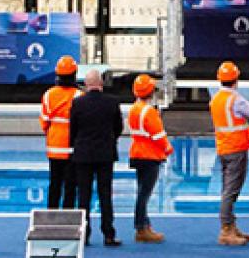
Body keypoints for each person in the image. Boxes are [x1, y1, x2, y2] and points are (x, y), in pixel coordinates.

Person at [210, 61, 249, 246]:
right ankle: (226, 229)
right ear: (236, 79)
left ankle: (231, 226)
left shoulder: (215, 99)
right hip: (236, 148)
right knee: (231, 190)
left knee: (227, 187)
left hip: (223, 148)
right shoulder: (236, 100)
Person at [71, 69, 123, 247]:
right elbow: (118, 128)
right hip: (105, 153)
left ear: (86, 84)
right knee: (105, 195)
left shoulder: (78, 103)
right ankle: (108, 233)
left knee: (83, 196)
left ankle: (84, 234)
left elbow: (73, 129)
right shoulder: (112, 102)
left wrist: (79, 143)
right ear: (101, 84)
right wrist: (108, 141)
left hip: (83, 153)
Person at [127, 74, 172, 245]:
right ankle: (141, 228)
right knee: (144, 194)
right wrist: (167, 148)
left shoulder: (134, 109)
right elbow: (158, 134)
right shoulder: (149, 112)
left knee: (141, 191)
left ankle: (144, 224)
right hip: (150, 155)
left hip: (138, 154)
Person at [41, 56, 82, 210]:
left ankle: (51, 214)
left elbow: (44, 121)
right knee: (70, 186)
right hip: (72, 148)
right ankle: (68, 216)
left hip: (54, 147)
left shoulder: (48, 94)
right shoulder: (79, 95)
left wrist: (52, 134)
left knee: (55, 184)